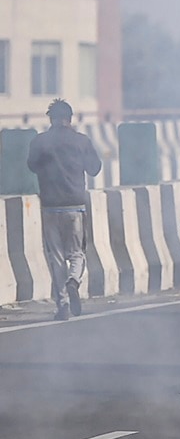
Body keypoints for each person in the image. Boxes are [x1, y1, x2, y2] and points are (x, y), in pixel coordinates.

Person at [26, 99, 101, 321]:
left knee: (56, 258)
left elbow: (31, 165)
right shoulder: (81, 141)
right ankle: (74, 281)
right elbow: (95, 169)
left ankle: (63, 306)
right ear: (70, 118)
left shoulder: (40, 142)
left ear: (51, 119)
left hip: (50, 207)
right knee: (77, 253)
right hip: (75, 206)